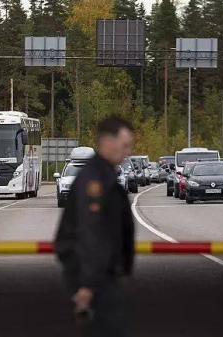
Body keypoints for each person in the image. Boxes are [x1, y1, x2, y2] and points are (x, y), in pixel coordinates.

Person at [54, 116, 135, 337]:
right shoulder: (95, 181)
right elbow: (91, 234)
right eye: (124, 145)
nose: (127, 152)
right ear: (108, 141)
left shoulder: (103, 174)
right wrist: (87, 286)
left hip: (101, 277)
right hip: (96, 281)